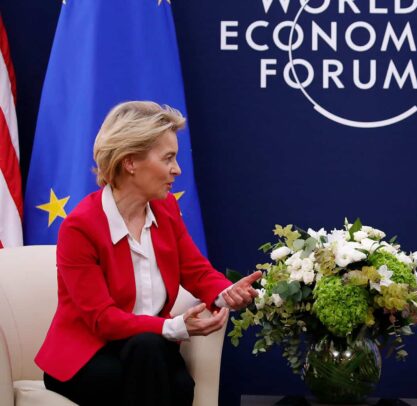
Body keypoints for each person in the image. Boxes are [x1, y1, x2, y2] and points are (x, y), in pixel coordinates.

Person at [35, 101, 261, 406]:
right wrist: (175, 326)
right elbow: (103, 319)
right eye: (168, 158)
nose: (177, 169)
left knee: (171, 376)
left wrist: (225, 293)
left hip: (149, 346)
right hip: (88, 356)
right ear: (130, 162)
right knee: (155, 363)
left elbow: (195, 270)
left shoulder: (166, 209)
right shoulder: (80, 227)